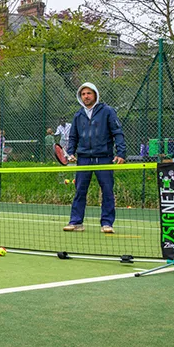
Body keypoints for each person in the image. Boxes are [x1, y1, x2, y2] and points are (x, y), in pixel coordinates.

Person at [63, 82, 126, 234]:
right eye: (83, 94)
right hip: (83, 159)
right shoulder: (78, 115)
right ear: (80, 97)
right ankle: (76, 222)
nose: (86, 96)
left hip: (104, 158)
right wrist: (70, 152)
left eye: (89, 93)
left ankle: (107, 223)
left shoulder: (108, 111)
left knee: (107, 191)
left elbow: (117, 132)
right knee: (80, 191)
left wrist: (121, 153)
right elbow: (73, 137)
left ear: (95, 95)